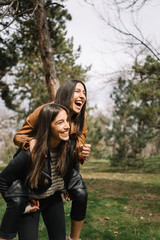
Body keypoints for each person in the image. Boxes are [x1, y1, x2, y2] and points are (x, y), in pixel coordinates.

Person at [13, 80, 91, 240]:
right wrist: (30, 142)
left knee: (81, 194)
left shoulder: (81, 117)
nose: (82, 96)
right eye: (77, 91)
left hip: (59, 172)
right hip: (33, 174)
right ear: (66, 93)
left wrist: (81, 154)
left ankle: (74, 238)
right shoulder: (44, 111)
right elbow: (18, 137)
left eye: (84, 93)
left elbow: (74, 154)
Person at [0, 103, 72, 240]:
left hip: (54, 199)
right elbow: (2, 181)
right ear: (47, 127)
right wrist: (22, 204)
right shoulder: (29, 153)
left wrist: (67, 188)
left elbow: (69, 170)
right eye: (60, 122)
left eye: (67, 120)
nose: (67, 125)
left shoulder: (67, 147)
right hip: (32, 201)